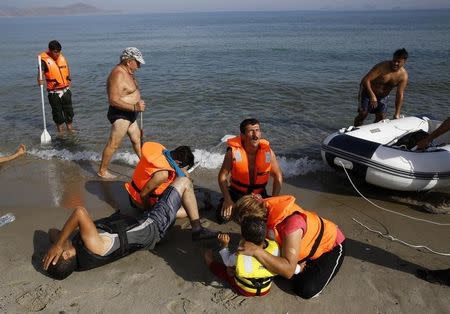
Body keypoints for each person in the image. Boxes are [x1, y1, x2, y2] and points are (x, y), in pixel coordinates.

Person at [42, 176, 218, 280]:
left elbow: (52, 232)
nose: (53, 249)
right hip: (154, 226)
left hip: (146, 230)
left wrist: (58, 242)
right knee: (184, 181)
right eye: (54, 253)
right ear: (65, 254)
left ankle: (202, 204)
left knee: (173, 211)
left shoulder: (79, 259)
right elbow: (79, 212)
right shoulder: (93, 245)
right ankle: (197, 230)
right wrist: (58, 245)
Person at [236, 194, 346, 299]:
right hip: (300, 244)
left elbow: (288, 270)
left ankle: (306, 266)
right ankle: (299, 262)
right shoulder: (260, 207)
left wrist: (257, 251)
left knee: (305, 289)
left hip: (330, 246)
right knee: (272, 267)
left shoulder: (292, 224)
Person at [217, 118, 283, 223]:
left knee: (272, 218)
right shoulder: (232, 153)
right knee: (223, 218)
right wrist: (228, 200)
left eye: (257, 130)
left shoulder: (268, 152)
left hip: (260, 194)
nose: (255, 134)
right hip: (237, 193)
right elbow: (222, 176)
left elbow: (277, 175)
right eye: (251, 131)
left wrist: (273, 199)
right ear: (242, 135)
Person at [98, 47, 146, 179]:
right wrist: (135, 106)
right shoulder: (118, 74)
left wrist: (136, 102)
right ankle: (102, 171)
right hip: (121, 115)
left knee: (136, 140)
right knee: (113, 144)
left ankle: (144, 164)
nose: (139, 66)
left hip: (130, 113)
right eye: (137, 62)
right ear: (128, 61)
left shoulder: (128, 72)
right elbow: (113, 100)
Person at [204, 216, 283, 297]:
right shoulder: (275, 248)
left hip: (246, 290)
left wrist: (225, 245)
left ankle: (210, 261)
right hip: (265, 289)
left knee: (224, 271)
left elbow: (227, 262)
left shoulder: (240, 256)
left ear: (243, 237)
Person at [125, 142, 194, 218]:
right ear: (178, 163)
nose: (182, 171)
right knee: (186, 211)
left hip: (132, 194)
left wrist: (184, 173)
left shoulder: (160, 155)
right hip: (139, 202)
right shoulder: (163, 174)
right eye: (183, 169)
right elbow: (143, 195)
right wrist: (150, 213)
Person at [353, 48, 409, 127]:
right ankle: (355, 129)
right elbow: (365, 80)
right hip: (367, 91)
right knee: (363, 113)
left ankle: (372, 131)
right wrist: (372, 96)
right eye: (394, 60)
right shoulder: (382, 67)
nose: (395, 63)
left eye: (398, 62)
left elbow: (399, 95)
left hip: (383, 96)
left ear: (404, 62)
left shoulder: (403, 76)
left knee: (381, 117)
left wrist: (397, 113)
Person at [38, 40, 74, 132]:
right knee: (57, 114)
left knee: (69, 112)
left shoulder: (62, 57)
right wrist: (40, 80)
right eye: (55, 52)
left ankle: (70, 129)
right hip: (54, 93)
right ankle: (60, 132)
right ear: (50, 50)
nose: (57, 54)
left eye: (59, 51)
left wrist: (69, 81)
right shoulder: (43, 61)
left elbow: (67, 68)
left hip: (65, 90)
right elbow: (40, 75)